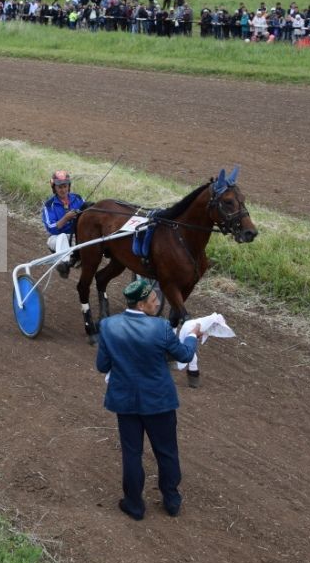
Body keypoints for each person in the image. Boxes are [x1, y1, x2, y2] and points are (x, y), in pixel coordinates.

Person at [96, 278, 201, 521]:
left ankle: (134, 505)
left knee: (132, 453)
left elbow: (102, 365)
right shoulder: (161, 328)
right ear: (142, 305)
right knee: (166, 452)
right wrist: (193, 336)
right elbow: (185, 354)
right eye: (154, 300)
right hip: (159, 402)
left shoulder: (109, 326)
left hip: (126, 402)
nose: (158, 303)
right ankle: (171, 501)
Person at [41, 170, 85, 278]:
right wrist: (66, 218)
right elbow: (51, 228)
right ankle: (64, 265)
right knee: (62, 237)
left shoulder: (78, 199)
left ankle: (75, 258)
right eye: (59, 187)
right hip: (55, 239)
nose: (63, 189)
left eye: (65, 186)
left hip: (75, 236)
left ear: (69, 186)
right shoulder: (49, 205)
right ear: (54, 188)